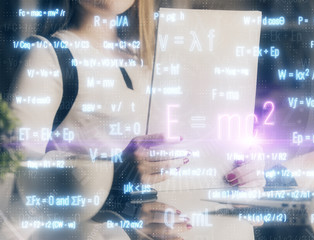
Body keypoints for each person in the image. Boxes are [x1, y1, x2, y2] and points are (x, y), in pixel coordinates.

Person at [9, 0, 266, 238]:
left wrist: (244, 182)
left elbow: (198, 162)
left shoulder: (157, 65)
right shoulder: (48, 56)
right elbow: (12, 182)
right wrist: (115, 183)